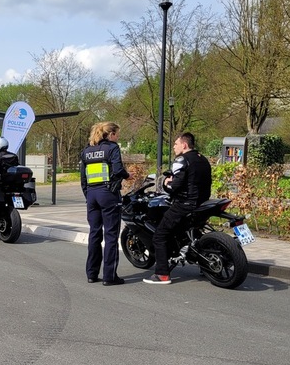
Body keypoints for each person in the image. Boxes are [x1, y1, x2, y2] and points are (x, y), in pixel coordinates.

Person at [144, 132, 212, 285]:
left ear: (184, 145)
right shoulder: (203, 159)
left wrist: (166, 183)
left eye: (176, 144)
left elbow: (175, 187)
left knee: (159, 235)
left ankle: (162, 274)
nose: (174, 147)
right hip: (203, 203)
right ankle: (205, 264)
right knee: (194, 231)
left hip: (185, 204)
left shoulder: (182, 160)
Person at [80, 122, 133, 286]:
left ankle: (91, 274)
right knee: (110, 235)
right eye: (117, 135)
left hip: (92, 195)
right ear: (111, 134)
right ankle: (109, 276)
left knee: (94, 233)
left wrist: (88, 194)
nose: (117, 138)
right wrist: (127, 175)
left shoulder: (87, 151)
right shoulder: (112, 148)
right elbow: (117, 170)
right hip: (108, 194)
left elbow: (83, 178)